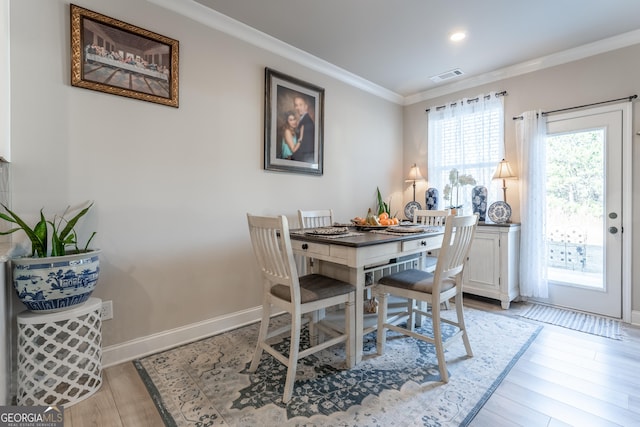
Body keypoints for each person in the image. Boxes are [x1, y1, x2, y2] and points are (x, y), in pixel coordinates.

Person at [291, 95, 315, 163]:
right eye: (296, 105)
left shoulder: (307, 122)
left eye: (300, 105)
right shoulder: (302, 120)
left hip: (302, 159)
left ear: (306, 106)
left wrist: (293, 158)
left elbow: (305, 147)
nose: (298, 108)